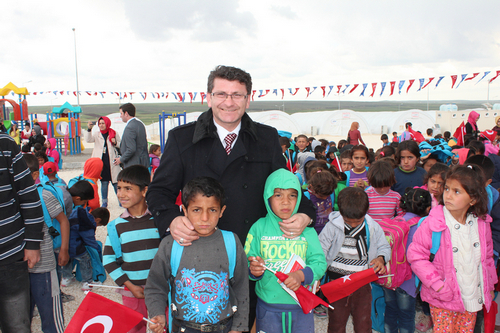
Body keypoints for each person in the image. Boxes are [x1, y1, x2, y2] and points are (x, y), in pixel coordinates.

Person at [146, 65, 316, 331]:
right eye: (221, 94)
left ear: (248, 98)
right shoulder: (181, 139)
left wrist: (305, 213)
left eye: (237, 95)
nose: (229, 102)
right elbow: (159, 192)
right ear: (208, 97)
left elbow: (286, 184)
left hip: (249, 255)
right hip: (197, 254)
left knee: (242, 322)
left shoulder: (267, 138)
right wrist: (171, 220)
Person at [146, 177, 249, 333]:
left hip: (224, 328)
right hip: (183, 328)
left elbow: (241, 288)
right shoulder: (170, 244)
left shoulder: (232, 242)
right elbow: (155, 286)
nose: (204, 218)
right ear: (185, 210)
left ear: (222, 211)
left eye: (212, 210)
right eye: (196, 210)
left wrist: (238, 327)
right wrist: (158, 314)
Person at [408, 164, 497, 332]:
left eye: (457, 191)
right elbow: (416, 256)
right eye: (447, 188)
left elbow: (487, 259)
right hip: (443, 297)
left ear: (473, 198)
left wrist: (489, 287)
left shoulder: (482, 224)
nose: (448, 195)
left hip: (470, 296)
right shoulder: (433, 223)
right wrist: (438, 285)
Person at [246, 169, 326, 333]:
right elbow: (248, 262)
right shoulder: (258, 228)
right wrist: (254, 270)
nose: (285, 202)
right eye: (278, 195)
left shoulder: (307, 230)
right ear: (268, 196)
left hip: (301, 306)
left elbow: (319, 263)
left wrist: (300, 276)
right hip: (267, 307)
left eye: (292, 195)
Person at [319, 187, 390, 333]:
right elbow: (321, 251)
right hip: (337, 283)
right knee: (336, 323)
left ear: (365, 212)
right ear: (341, 212)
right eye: (348, 221)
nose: (352, 224)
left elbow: (384, 247)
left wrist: (381, 259)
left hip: (361, 283)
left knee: (363, 322)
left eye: (357, 221)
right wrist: (317, 275)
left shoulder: (373, 227)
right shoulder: (332, 226)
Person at [103, 165, 160, 333]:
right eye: (119, 188)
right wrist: (129, 285)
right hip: (131, 291)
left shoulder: (159, 221)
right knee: (134, 328)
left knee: (165, 326)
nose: (121, 194)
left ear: (144, 191)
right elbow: (108, 260)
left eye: (128, 188)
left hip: (160, 289)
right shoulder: (116, 227)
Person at [0, 134, 44, 333]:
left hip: (9, 254)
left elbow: (29, 196)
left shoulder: (5, 145)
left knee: (16, 324)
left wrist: (33, 243)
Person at [23, 154, 66, 333]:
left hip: (44, 266)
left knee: (51, 317)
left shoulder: (44, 195)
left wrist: (63, 248)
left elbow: (63, 220)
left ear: (34, 175)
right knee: (20, 318)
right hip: (18, 270)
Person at [385, 187, 432, 333]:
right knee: (406, 315)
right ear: (428, 208)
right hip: (408, 280)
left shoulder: (396, 219)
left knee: (391, 310)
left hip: (389, 276)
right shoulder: (422, 225)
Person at [64, 180, 102, 291]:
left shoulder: (65, 206)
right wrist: (95, 247)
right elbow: (87, 235)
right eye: (85, 201)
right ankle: (87, 282)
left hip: (64, 244)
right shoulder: (80, 214)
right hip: (76, 246)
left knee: (67, 260)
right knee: (85, 260)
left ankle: (66, 278)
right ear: (78, 199)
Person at [85, 117, 122, 208]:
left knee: (116, 183)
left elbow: (121, 144)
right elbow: (88, 140)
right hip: (101, 162)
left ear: (107, 124)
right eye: (100, 123)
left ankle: (121, 201)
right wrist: (89, 129)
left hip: (112, 162)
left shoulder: (114, 133)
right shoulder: (96, 134)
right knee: (104, 183)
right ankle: (104, 202)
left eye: (103, 123)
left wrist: (115, 142)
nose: (101, 125)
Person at [114, 103, 149, 169]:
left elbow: (131, 149)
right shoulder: (140, 124)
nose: (120, 116)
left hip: (133, 165)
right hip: (143, 163)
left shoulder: (130, 127)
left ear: (126, 113)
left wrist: (120, 160)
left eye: (121, 113)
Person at [306, 170, 337, 234]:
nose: (325, 198)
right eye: (321, 196)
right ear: (312, 187)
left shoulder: (330, 192)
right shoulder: (306, 196)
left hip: (328, 231)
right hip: (313, 233)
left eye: (327, 195)